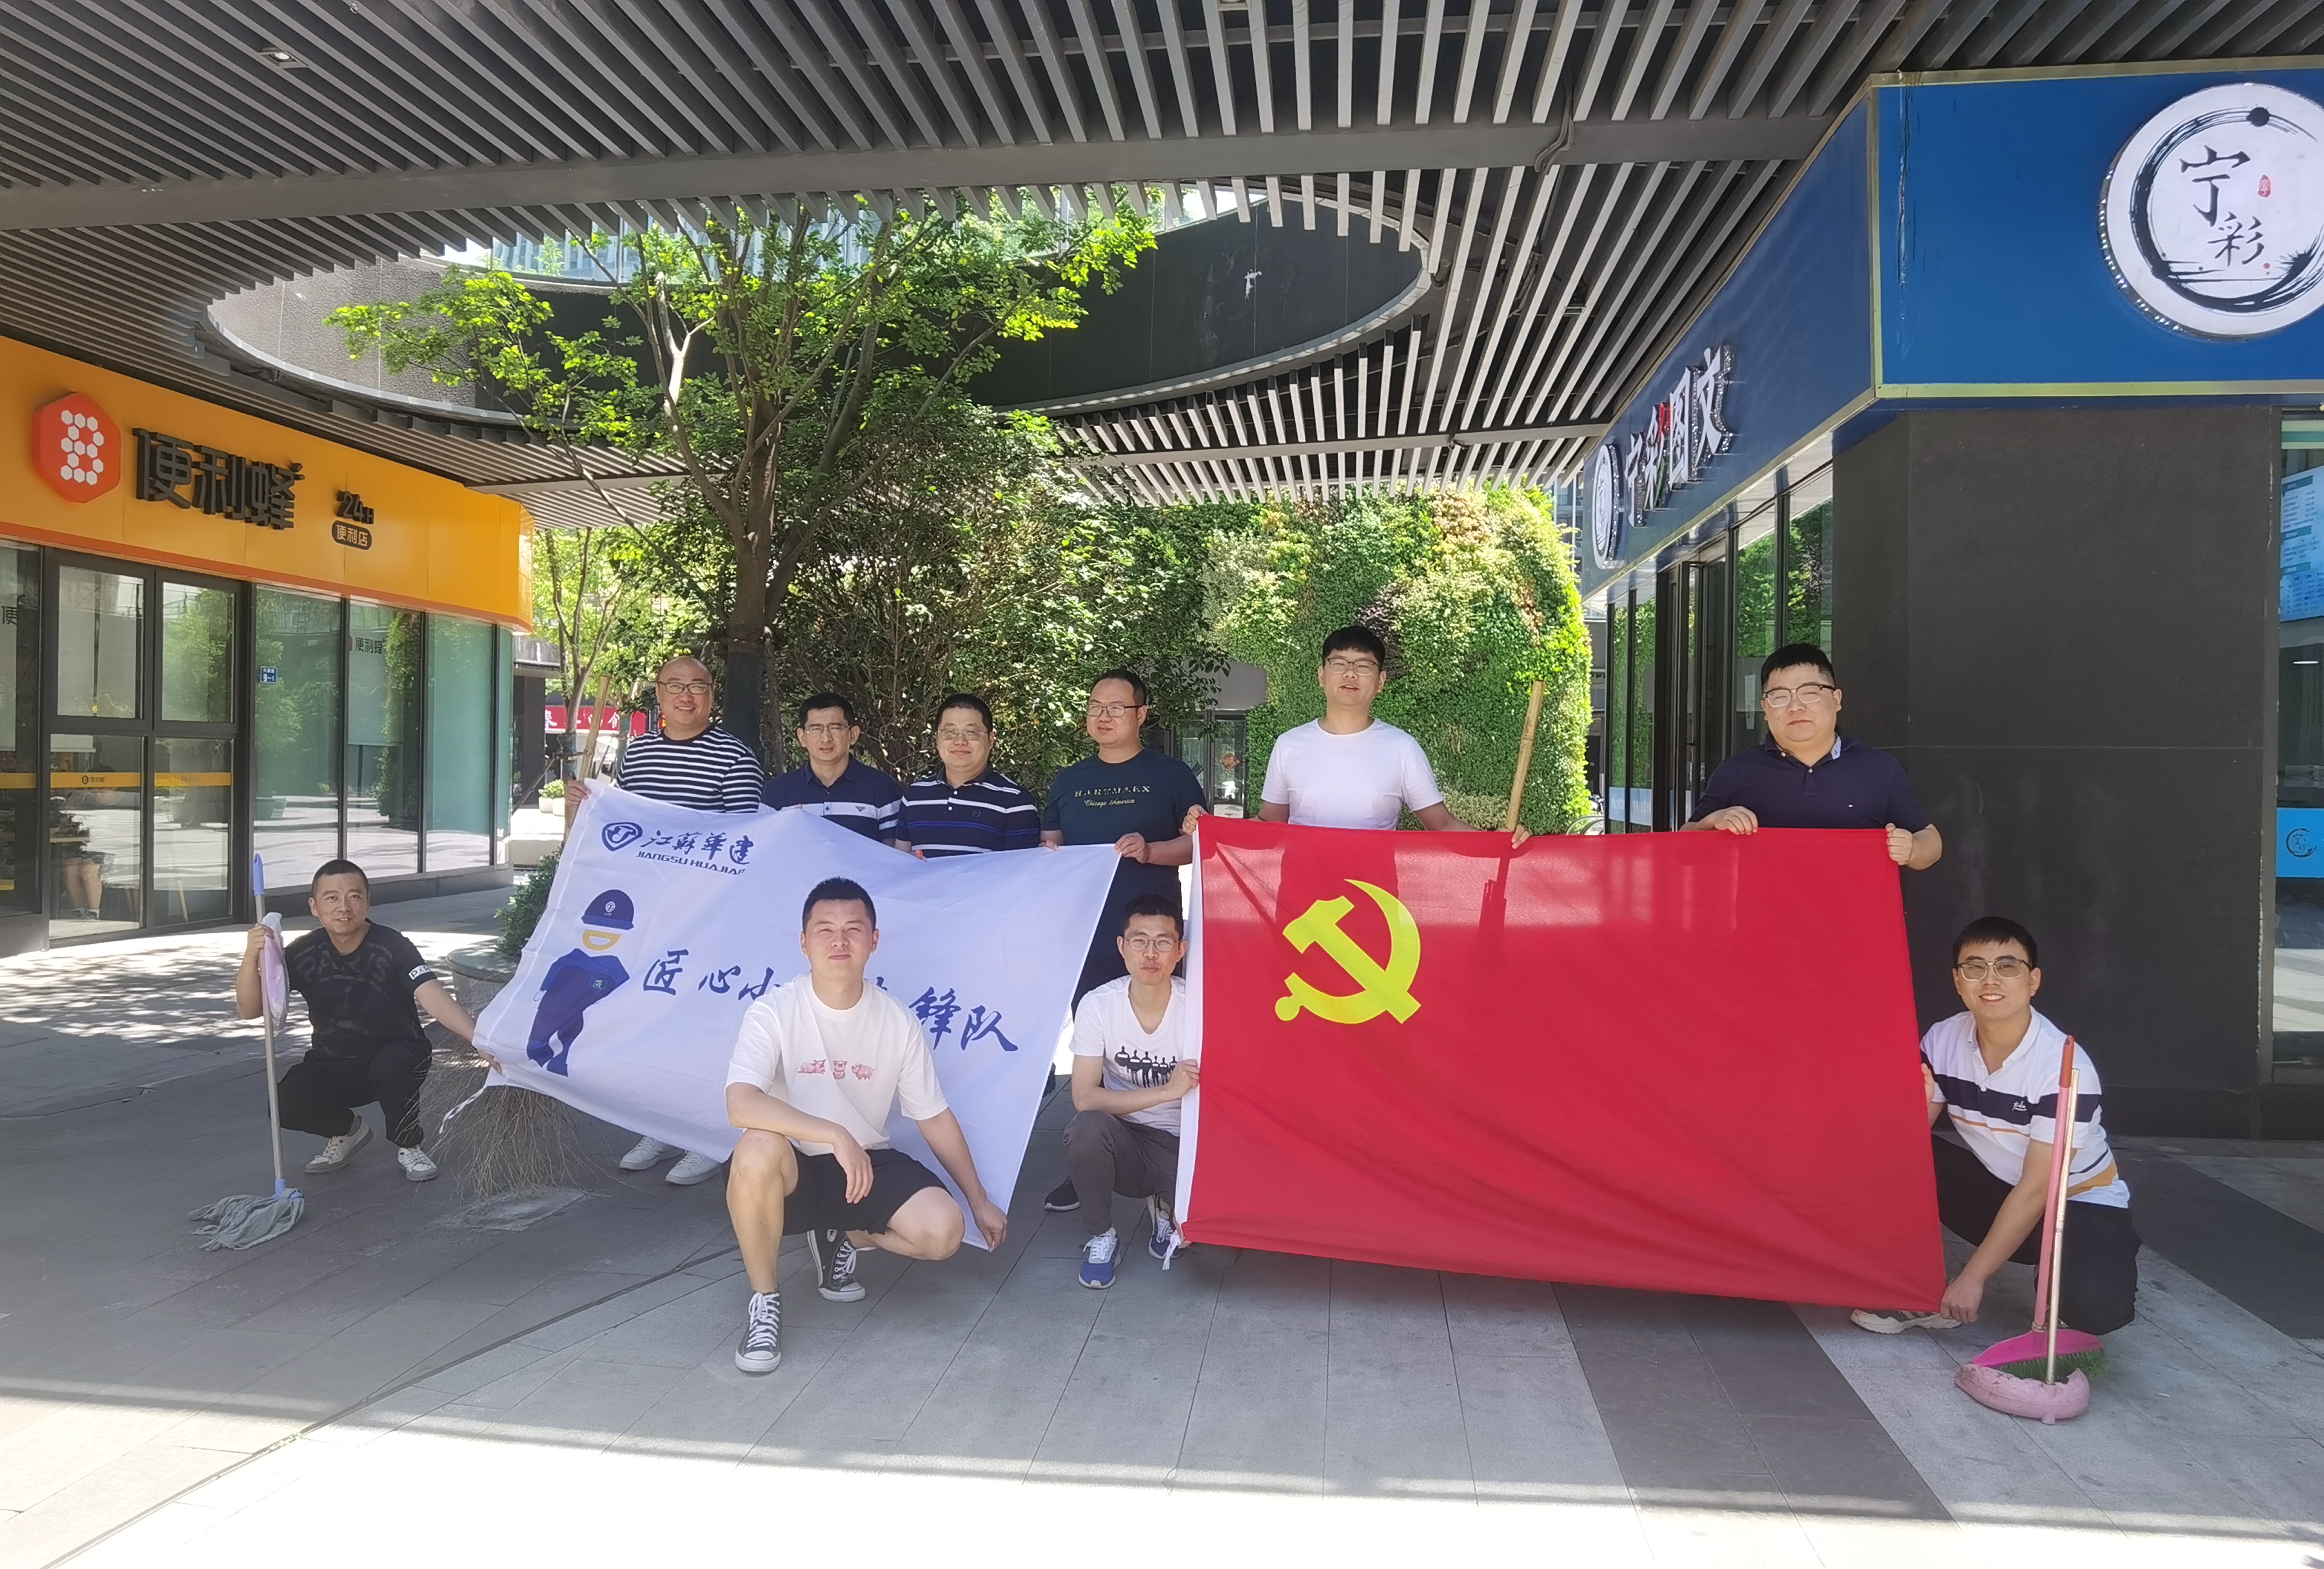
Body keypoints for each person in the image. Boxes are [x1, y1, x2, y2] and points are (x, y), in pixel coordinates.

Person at [722, 877, 1013, 1374]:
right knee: (756, 1148)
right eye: (825, 930)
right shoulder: (774, 1011)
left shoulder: (897, 1021)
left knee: (943, 1232)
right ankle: (765, 1301)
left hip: (863, 1166)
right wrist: (833, 1133)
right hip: (793, 1170)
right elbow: (741, 1103)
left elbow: (934, 1116)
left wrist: (979, 1199)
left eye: (853, 929)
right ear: (804, 941)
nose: (840, 941)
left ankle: (843, 1236)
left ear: (874, 940)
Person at [1854, 917, 2141, 1339]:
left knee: (2096, 1309)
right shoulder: (1942, 1039)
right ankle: (1917, 1291)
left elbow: (2038, 1189)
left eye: (2007, 967)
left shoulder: (2063, 1066)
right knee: (1895, 1157)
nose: (1990, 980)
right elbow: (1904, 1149)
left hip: (2076, 1202)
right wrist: (1911, 1108)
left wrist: (1972, 1279)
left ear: (2033, 980)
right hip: (2000, 1189)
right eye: (1974, 967)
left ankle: (2069, 1267)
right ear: (1958, 980)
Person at [571, 654, 764, 1185]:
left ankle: (709, 1134)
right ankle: (659, 1125)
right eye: (675, 685)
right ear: (658, 694)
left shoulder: (735, 758)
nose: (685, 695)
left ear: (711, 695)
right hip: (652, 915)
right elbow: (630, 824)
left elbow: (744, 842)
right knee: (654, 1016)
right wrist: (593, 805)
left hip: (710, 916)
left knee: (705, 1023)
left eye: (697, 686)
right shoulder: (640, 753)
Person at [1039, 669, 1205, 1213]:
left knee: (1165, 1043)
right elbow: (1050, 844)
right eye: (1095, 706)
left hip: (1152, 941)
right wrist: (1047, 854)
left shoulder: (1171, 774)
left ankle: (1174, 1153)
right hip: (1086, 936)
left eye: (1116, 707)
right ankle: (1090, 1160)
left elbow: (1200, 843)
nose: (1103, 716)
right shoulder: (1069, 780)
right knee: (1095, 1047)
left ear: (1142, 715)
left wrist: (1151, 851)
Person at [234, 860, 480, 1183]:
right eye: (332, 898)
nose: (344, 907)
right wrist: (251, 956)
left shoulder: (392, 946)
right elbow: (251, 1010)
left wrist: (479, 1039)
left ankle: (409, 1144)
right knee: (285, 1102)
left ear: (367, 901)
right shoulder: (303, 952)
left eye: (354, 896)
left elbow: (431, 994)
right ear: (315, 906)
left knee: (393, 1066)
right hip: (334, 1060)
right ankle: (348, 1132)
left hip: (397, 1053)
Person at [1686, 643, 1942, 869]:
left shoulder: (1880, 769)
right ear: (1765, 708)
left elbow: (1930, 840)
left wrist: (1912, 849)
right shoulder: (1736, 772)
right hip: (1761, 911)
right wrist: (1713, 821)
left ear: (1836, 699)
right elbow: (1684, 851)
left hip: (1857, 910)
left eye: (1809, 693)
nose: (1795, 706)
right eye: (1779, 696)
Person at [1065, 895, 1200, 1288]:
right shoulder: (1098, 1005)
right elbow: (1084, 1097)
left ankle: (1166, 1205)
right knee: (1086, 1129)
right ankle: (1102, 1235)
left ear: (1180, 951)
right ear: (1122, 947)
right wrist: (1166, 1091)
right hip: (1126, 1139)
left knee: (1215, 1258)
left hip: (1184, 1145)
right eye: (1140, 941)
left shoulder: (1198, 1006)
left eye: (1163, 942)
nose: (1151, 953)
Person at [894, 693, 1041, 858]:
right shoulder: (914, 797)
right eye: (950, 732)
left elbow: (1022, 868)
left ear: (991, 739)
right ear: (937, 739)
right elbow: (899, 862)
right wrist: (907, 862)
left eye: (971, 732)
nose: (960, 741)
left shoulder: (1015, 802)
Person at [762, 692, 905, 841]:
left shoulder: (882, 789)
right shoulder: (777, 792)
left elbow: (895, 852)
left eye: (835, 728)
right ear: (802, 737)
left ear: (853, 735)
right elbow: (761, 848)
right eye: (815, 729)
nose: (826, 738)